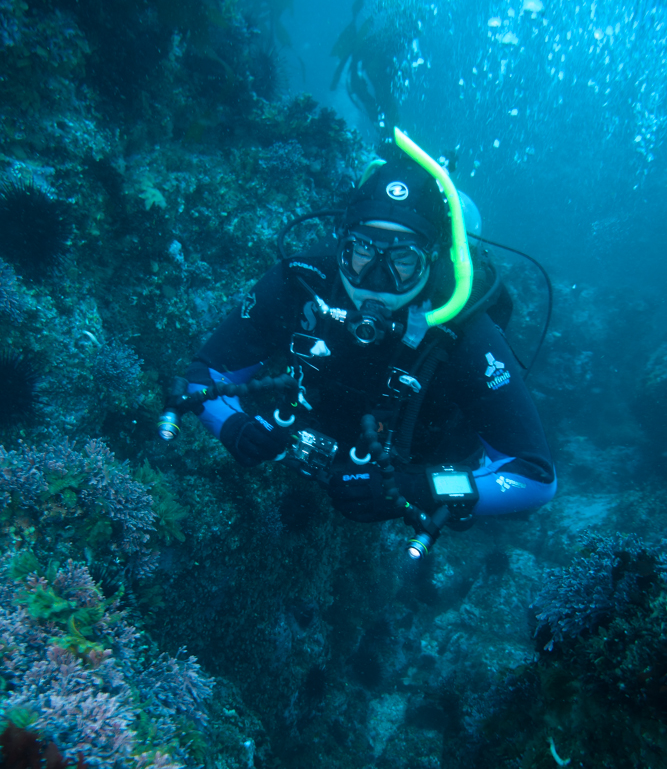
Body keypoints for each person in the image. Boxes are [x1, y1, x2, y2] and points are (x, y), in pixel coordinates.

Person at [183, 129, 556, 543]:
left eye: (403, 260)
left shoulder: (466, 333)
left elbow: (535, 478)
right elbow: (203, 375)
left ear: (432, 260)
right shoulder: (300, 284)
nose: (376, 281)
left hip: (418, 463)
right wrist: (234, 427)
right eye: (361, 252)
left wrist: (417, 488)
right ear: (341, 245)